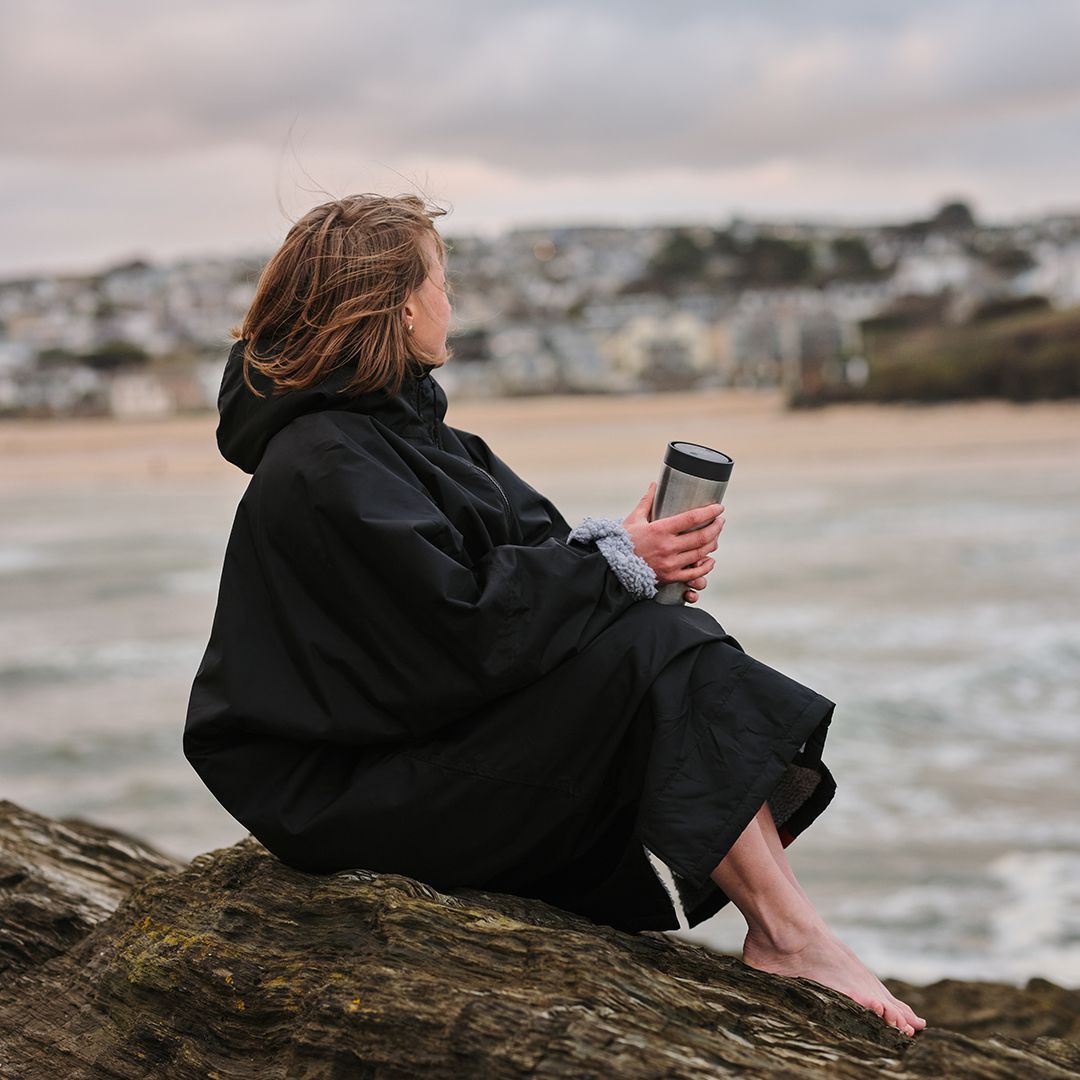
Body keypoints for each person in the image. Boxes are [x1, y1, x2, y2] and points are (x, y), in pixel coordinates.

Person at [183, 193, 925, 1037]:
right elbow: (453, 629)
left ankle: (790, 927)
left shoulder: (408, 434)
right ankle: (790, 934)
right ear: (400, 304)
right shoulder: (321, 460)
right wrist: (617, 571)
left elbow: (529, 554)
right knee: (655, 646)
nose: (451, 302)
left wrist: (634, 552)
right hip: (343, 792)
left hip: (409, 745)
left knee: (658, 637)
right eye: (442, 281)